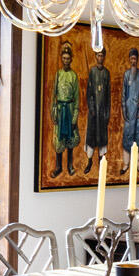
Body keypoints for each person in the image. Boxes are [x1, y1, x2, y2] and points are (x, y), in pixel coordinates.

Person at [51, 42, 79, 178]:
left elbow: (77, 98)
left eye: (68, 58)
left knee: (70, 140)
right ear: (61, 59)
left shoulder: (73, 76)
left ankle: (69, 165)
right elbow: (53, 96)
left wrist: (74, 117)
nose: (66, 61)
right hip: (60, 110)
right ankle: (58, 166)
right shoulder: (58, 74)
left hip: (70, 109)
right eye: (64, 58)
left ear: (71, 59)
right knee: (59, 140)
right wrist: (54, 112)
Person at [84, 45, 111, 172]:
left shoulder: (106, 73)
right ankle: (89, 162)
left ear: (104, 57)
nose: (100, 58)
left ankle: (102, 162)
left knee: (101, 138)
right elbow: (89, 92)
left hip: (102, 112)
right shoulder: (92, 72)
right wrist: (92, 107)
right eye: (98, 55)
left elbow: (108, 95)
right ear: (95, 57)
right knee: (91, 138)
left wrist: (107, 113)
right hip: (93, 112)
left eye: (102, 55)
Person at [121, 47, 139, 155]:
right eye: (131, 59)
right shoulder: (127, 74)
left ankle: (138, 164)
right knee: (128, 136)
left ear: (137, 59)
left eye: (135, 59)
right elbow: (123, 94)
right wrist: (124, 110)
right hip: (129, 110)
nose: (133, 61)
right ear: (129, 59)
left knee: (138, 136)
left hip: (138, 112)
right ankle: (126, 164)